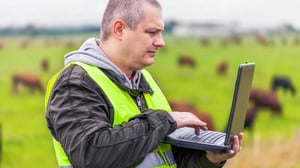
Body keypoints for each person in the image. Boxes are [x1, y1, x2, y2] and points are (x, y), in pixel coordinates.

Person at [45, 0, 243, 167]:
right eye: (152, 33)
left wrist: (209, 158)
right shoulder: (75, 84)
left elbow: (165, 156)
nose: (161, 42)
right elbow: (91, 154)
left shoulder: (145, 80)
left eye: (161, 33)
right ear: (120, 29)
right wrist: (165, 121)